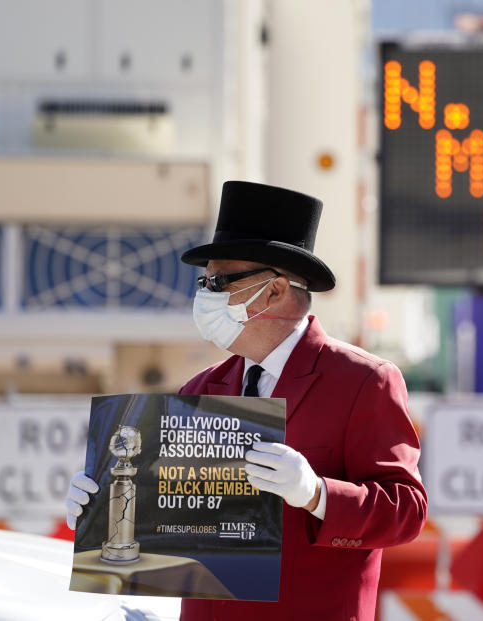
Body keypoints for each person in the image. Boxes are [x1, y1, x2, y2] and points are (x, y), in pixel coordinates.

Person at [65, 181, 427, 620]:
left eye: (218, 280)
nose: (205, 294)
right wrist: (101, 509)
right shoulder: (199, 388)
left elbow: (406, 512)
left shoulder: (364, 380)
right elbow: (177, 521)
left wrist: (316, 493)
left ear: (274, 292)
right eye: (204, 281)